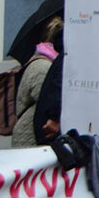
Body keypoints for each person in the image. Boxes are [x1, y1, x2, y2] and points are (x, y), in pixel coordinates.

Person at [13, 18, 61, 148]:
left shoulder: (45, 62)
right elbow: (46, 100)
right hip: (29, 135)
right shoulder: (43, 66)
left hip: (31, 132)